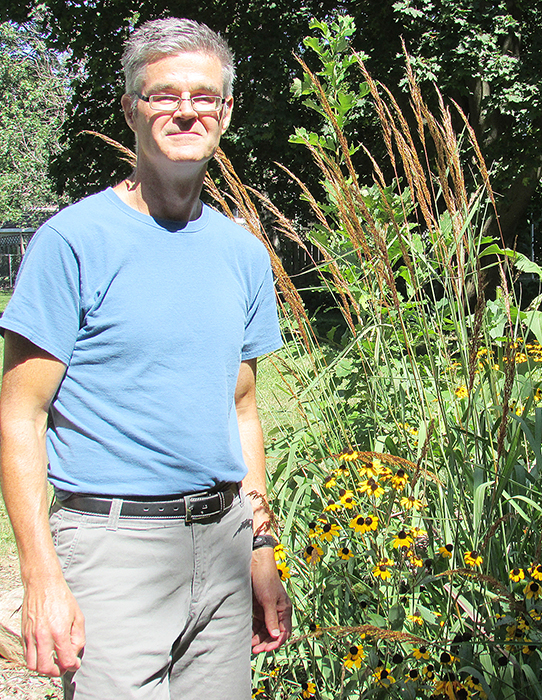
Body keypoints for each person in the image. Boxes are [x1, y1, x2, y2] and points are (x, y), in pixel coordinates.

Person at [0, 17, 291, 699]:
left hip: (221, 544)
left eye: (204, 97)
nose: (185, 110)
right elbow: (19, 416)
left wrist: (260, 550)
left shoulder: (243, 252)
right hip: (111, 549)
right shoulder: (72, 243)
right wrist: (41, 577)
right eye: (163, 95)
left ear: (225, 111)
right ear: (131, 108)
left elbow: (242, 409)